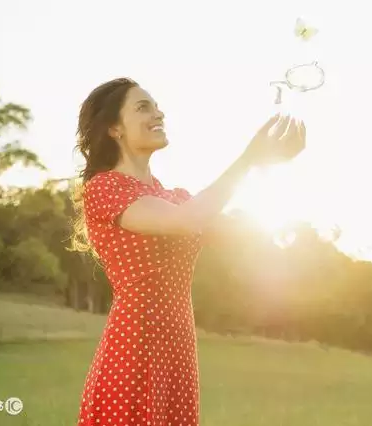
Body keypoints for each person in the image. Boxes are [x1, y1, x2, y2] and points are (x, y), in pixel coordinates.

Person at [70, 77, 306, 426]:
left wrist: (269, 163)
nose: (158, 112)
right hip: (136, 347)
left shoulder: (174, 196)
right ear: (114, 129)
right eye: (142, 107)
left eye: (156, 105)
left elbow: (230, 229)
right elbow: (187, 220)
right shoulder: (104, 189)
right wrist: (249, 159)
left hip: (176, 350)